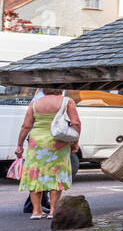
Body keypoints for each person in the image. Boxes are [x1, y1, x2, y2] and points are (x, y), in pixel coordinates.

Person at [15, 89, 81, 219]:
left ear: (43, 90)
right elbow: (76, 123)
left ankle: (36, 211)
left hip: (37, 142)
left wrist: (20, 145)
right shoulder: (67, 101)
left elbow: (26, 126)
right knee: (56, 174)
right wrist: (75, 142)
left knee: (35, 174)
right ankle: (53, 210)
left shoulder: (35, 102)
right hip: (58, 142)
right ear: (61, 89)